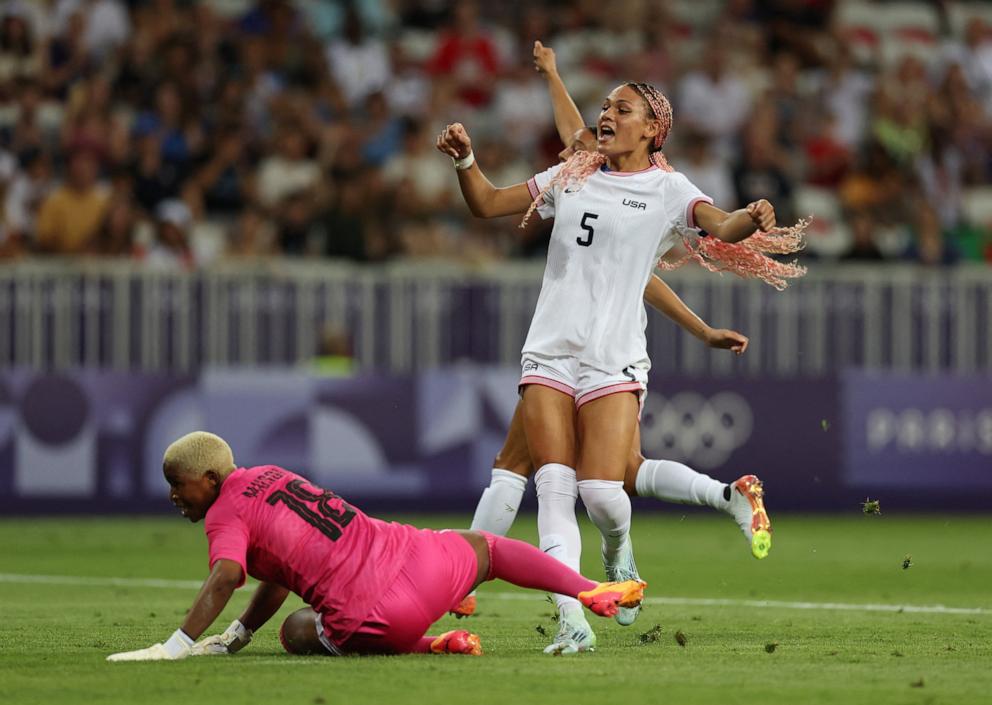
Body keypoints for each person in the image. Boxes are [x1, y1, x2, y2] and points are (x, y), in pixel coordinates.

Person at [436, 45, 804, 654]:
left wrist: (750, 216)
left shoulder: (666, 189)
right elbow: (488, 203)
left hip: (613, 358)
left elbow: (718, 226)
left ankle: (617, 552)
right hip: (550, 353)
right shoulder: (574, 172)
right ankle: (573, 619)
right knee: (554, 484)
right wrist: (467, 159)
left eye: (621, 108)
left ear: (652, 129)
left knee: (604, 493)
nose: (606, 114)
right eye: (603, 106)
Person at [105, 432, 646, 661]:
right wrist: (240, 634)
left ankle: (430, 644)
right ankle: (590, 590)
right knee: (488, 547)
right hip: (420, 558)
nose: (174, 496)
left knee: (298, 631)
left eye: (178, 484)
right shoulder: (268, 474)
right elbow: (280, 565)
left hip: (379, 614)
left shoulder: (225, 511)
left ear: (207, 476)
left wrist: (173, 647)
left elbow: (227, 575)